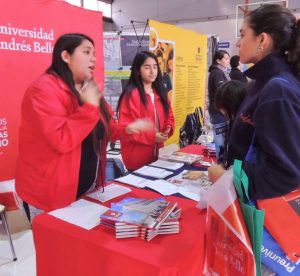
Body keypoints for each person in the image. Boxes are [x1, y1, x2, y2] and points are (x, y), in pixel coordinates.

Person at [15, 33, 153, 219]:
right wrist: (89, 107)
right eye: (87, 52)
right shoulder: (43, 89)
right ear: (66, 56)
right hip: (50, 193)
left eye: (94, 54)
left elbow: (105, 129)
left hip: (87, 187)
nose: (93, 59)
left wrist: (126, 129)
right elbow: (60, 139)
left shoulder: (88, 88)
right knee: (56, 246)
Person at [209, 4, 300, 199]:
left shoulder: (278, 89)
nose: (237, 43)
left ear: (262, 40)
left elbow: (285, 173)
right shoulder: (263, 82)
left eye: (243, 35)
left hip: (259, 209)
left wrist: (229, 178)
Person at [117, 51, 175, 171]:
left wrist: (169, 126)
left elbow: (169, 114)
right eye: (147, 67)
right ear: (137, 71)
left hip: (158, 153)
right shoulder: (131, 95)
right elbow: (127, 129)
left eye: (155, 67)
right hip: (137, 157)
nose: (152, 71)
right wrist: (152, 137)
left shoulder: (160, 92)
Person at [214, 80, 248, 168]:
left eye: (226, 113)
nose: (226, 117)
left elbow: (240, 155)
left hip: (239, 174)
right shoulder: (236, 119)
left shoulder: (244, 124)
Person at [207, 50, 231, 162]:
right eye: (226, 58)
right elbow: (220, 92)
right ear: (218, 60)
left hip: (221, 110)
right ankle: (220, 163)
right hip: (219, 110)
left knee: (223, 137)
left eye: (228, 58)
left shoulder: (221, 72)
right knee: (220, 139)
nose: (228, 61)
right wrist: (223, 109)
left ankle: (222, 161)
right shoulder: (217, 73)